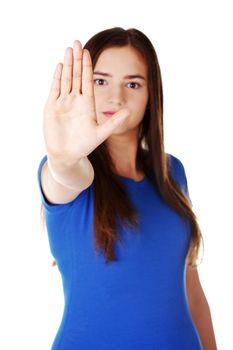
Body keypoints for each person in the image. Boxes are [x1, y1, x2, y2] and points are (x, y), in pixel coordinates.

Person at [37, 27, 217, 349]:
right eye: (101, 81)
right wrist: (63, 158)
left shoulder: (172, 171)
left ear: (151, 95)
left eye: (132, 84)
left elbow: (190, 286)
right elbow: (65, 175)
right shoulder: (72, 176)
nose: (116, 97)